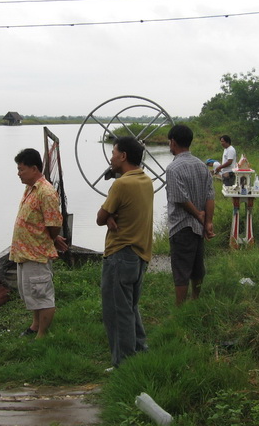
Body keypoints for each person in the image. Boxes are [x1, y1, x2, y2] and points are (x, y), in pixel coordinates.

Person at [96, 136, 153, 368]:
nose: (111, 157)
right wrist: (111, 215)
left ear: (123, 156)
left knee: (117, 312)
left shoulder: (121, 184)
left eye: (113, 152)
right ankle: (140, 350)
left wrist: (108, 215)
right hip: (140, 256)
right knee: (130, 307)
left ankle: (124, 363)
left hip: (120, 255)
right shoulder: (146, 180)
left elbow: (100, 218)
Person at [10, 148, 68, 339]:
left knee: (42, 295)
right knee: (31, 293)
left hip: (37, 253)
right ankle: (35, 326)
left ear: (34, 168)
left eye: (21, 169)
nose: (18, 173)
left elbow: (53, 225)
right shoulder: (30, 188)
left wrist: (52, 238)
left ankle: (42, 335)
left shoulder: (46, 192)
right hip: (25, 253)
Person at [166, 125, 216, 306]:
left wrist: (198, 215)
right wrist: (207, 222)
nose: (169, 146)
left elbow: (180, 199)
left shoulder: (173, 169)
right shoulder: (202, 165)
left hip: (182, 226)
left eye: (169, 142)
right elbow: (210, 195)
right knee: (197, 266)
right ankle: (196, 300)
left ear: (173, 142)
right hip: (198, 227)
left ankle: (180, 309)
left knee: (181, 270)